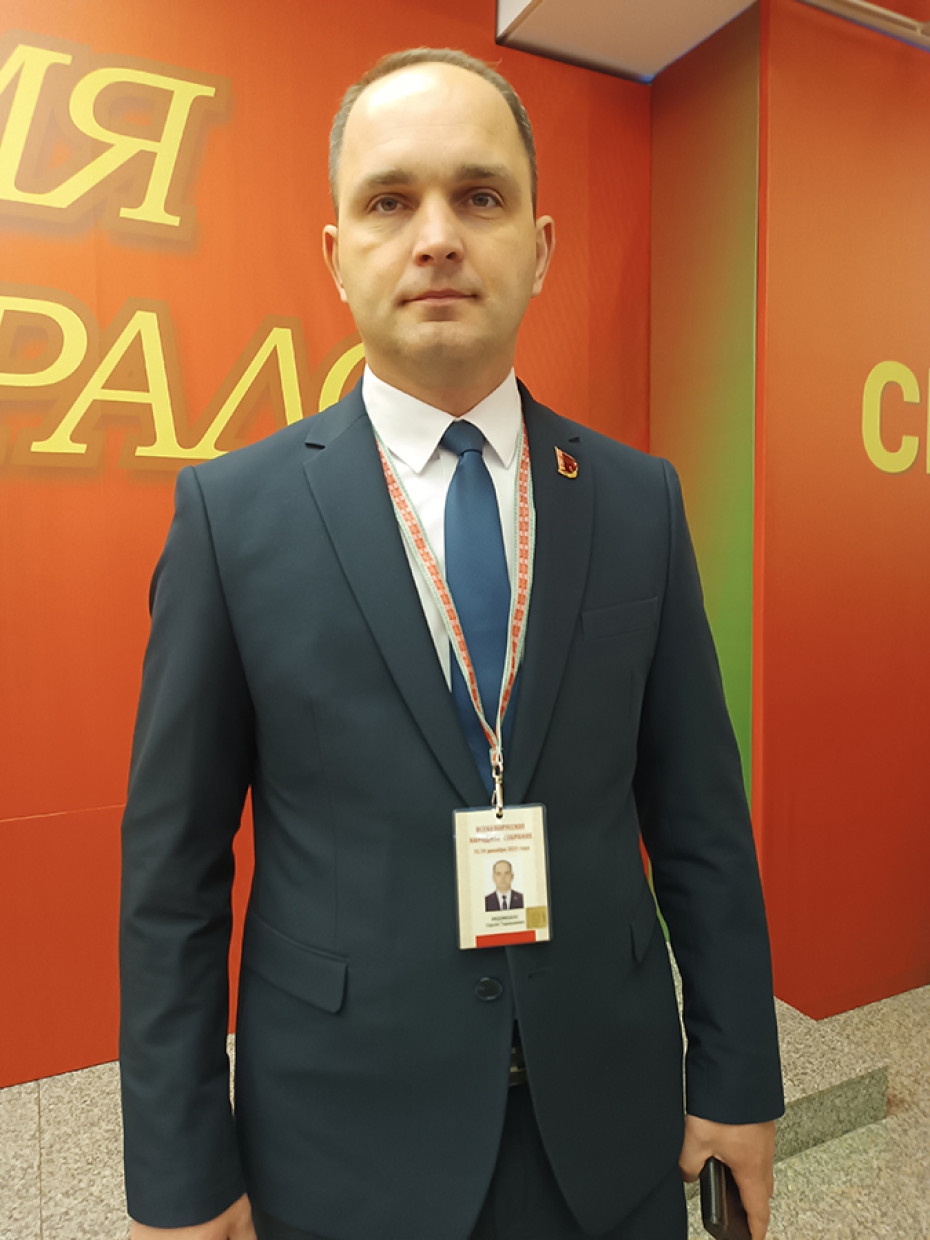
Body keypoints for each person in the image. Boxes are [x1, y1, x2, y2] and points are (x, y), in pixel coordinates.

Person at [119, 47, 784, 1240]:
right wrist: (180, 1174)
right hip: (344, 1150)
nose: (436, 238)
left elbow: (701, 821)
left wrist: (738, 1076)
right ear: (338, 255)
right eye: (391, 201)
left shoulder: (637, 501)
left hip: (613, 1129)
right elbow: (174, 878)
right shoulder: (232, 517)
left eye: (480, 197)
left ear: (540, 245)